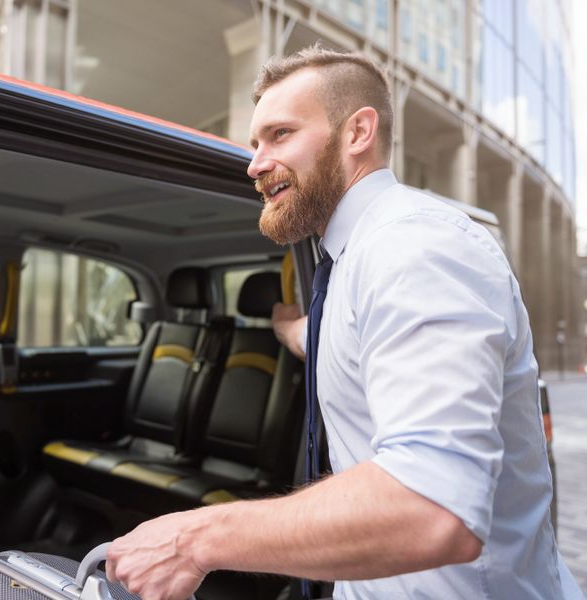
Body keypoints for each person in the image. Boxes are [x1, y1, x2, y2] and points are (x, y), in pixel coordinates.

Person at [105, 44, 583, 600]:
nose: (255, 163)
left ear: (358, 133)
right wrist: (290, 328)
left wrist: (193, 539)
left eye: (280, 134)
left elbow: (433, 505)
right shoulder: (350, 262)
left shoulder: (417, 247)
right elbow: (344, 340)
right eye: (255, 143)